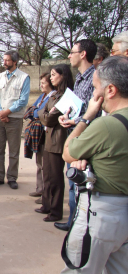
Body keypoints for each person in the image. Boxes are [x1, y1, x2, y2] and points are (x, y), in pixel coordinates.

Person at [60, 56, 128, 273]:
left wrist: (87, 117)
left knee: (79, 268)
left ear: (111, 90)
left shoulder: (107, 125)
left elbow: (68, 152)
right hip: (124, 215)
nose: (95, 94)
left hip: (101, 214)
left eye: (96, 88)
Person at [56, 39, 99, 232]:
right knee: (73, 182)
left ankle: (82, 226)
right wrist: (66, 117)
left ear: (83, 54)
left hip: (86, 138)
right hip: (73, 134)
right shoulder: (80, 78)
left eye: (72, 52)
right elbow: (77, 107)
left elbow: (96, 111)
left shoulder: (96, 78)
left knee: (84, 184)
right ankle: (73, 223)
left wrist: (76, 120)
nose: (69, 56)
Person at [36, 64, 74, 222]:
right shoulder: (55, 95)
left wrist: (41, 113)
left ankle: (56, 211)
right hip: (48, 138)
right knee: (47, 174)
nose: (50, 78)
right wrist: (43, 112)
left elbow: (49, 119)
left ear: (62, 76)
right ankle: (46, 204)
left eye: (53, 75)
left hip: (58, 140)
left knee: (56, 177)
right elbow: (44, 111)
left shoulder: (66, 96)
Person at [0, 50, 30, 189]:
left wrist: (7, 112)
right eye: (4, 60)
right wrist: (1, 112)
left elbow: (23, 100)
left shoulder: (24, 77)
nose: (4, 62)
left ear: (14, 61)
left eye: (7, 60)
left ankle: (12, 177)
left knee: (13, 151)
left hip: (15, 119)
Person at [24, 72, 55, 202]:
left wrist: (36, 112)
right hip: (39, 133)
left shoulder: (53, 97)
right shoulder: (43, 96)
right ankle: (40, 188)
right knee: (39, 162)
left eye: (43, 83)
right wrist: (36, 112)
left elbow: (40, 112)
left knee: (45, 165)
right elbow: (32, 110)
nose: (41, 85)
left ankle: (47, 194)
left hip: (45, 133)